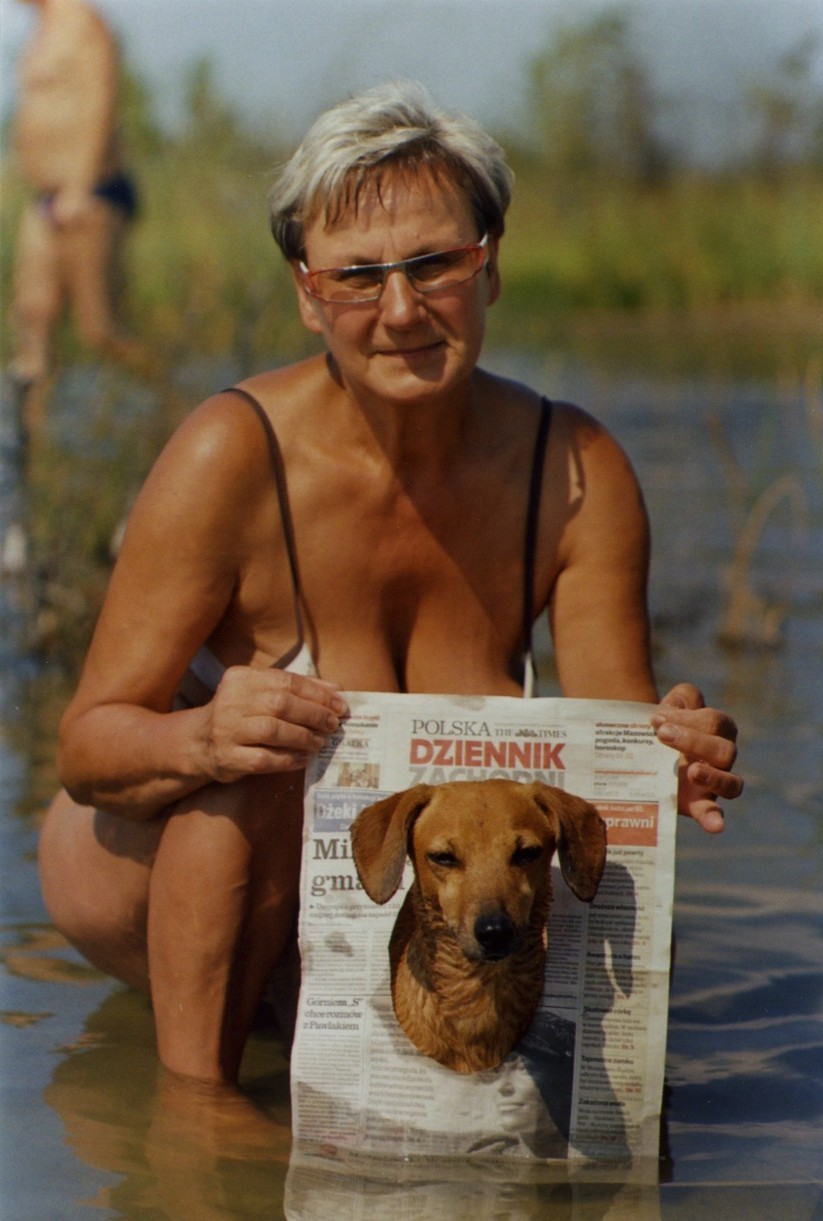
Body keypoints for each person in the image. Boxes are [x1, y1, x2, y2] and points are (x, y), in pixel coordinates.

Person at [38, 81, 743, 1088]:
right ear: (307, 291)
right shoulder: (228, 455)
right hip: (159, 880)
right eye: (358, 278)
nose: (401, 310)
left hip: (435, 914)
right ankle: (194, 1125)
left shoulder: (574, 469)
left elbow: (603, 757)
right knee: (245, 781)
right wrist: (202, 733)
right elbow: (87, 746)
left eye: (434, 265)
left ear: (489, 263)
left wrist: (671, 759)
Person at [7, 0, 149, 444]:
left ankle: (185, 408)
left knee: (99, 329)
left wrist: (80, 187)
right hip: (45, 199)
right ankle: (29, 446)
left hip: (90, 194)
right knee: (32, 316)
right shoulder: (41, 28)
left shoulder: (84, 23)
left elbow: (102, 102)